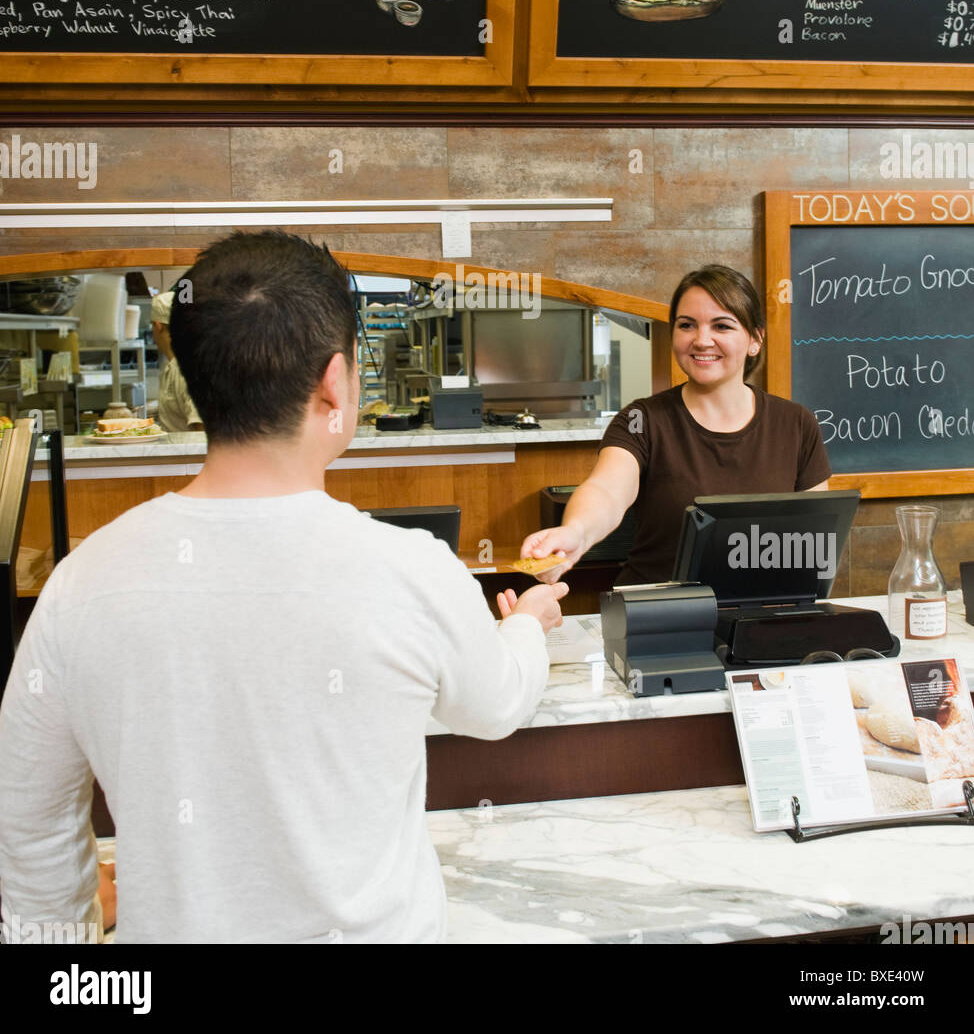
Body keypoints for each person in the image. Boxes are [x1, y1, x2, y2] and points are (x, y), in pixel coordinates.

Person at [0, 232, 567, 944]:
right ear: (335, 383)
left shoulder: (81, 582)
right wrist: (527, 624)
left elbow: (28, 825)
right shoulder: (412, 570)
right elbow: (496, 703)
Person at [520, 264, 830, 587]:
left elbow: (815, 539)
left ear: (755, 340)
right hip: (662, 616)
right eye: (687, 325)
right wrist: (576, 532)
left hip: (763, 617)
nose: (701, 340)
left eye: (722, 326)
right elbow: (606, 491)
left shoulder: (796, 424)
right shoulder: (641, 421)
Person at [150, 290, 203, 432]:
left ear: (158, 325)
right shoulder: (174, 365)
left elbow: (202, 429)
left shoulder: (188, 368)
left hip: (192, 454)